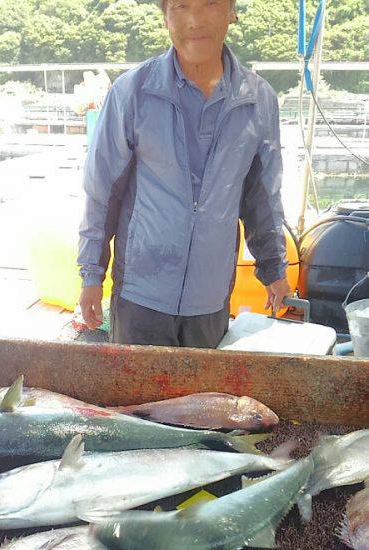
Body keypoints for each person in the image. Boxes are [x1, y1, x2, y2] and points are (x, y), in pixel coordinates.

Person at [77, 0, 291, 348]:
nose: (195, 19)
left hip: (211, 299)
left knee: (203, 385)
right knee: (135, 386)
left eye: (211, 3)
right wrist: (91, 274)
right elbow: (102, 191)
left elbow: (262, 196)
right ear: (165, 16)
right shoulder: (132, 92)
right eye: (181, 6)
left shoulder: (259, 100)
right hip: (140, 295)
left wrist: (274, 269)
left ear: (231, 11)